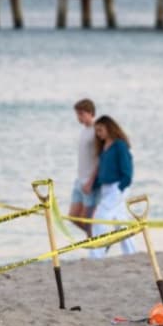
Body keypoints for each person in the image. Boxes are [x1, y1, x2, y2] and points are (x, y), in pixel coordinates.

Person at [88, 115, 136, 259]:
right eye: (96, 131)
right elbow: (103, 171)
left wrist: (121, 187)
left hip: (117, 187)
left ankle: (97, 255)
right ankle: (132, 253)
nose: (98, 133)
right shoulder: (104, 148)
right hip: (106, 188)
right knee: (121, 223)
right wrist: (93, 185)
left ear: (109, 128)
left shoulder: (119, 145)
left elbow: (127, 170)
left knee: (99, 218)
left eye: (100, 130)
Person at [69, 99, 99, 238]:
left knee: (88, 220)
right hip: (79, 180)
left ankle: (97, 246)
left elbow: (101, 159)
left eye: (81, 114)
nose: (78, 117)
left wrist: (91, 181)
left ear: (91, 113)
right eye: (77, 114)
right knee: (73, 216)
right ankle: (99, 239)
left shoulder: (96, 131)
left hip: (89, 182)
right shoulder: (84, 131)